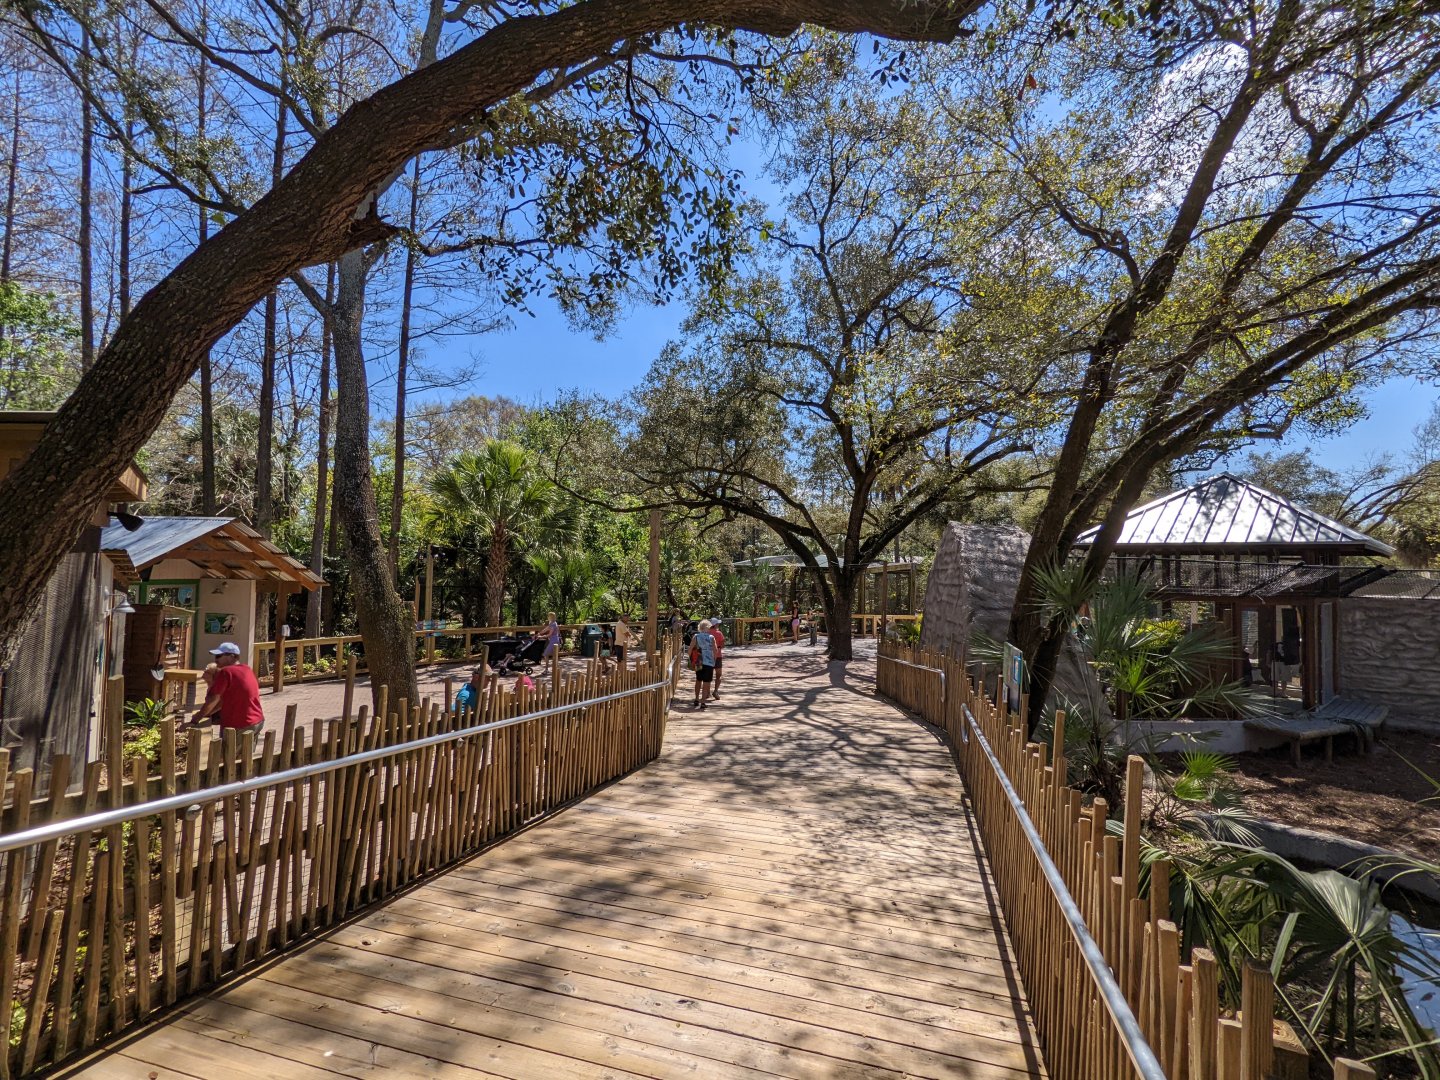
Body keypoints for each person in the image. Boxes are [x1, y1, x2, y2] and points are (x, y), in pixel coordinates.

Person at [191, 642, 264, 733]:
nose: (215, 659)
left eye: (219, 656)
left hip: (238, 726)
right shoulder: (247, 669)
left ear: (232, 656)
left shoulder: (226, 671)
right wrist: (206, 714)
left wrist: (195, 720)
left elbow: (213, 699)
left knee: (228, 748)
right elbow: (221, 701)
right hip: (257, 721)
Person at [689, 619, 716, 710]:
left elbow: (690, 649)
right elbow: (715, 650)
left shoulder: (696, 636)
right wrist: (714, 660)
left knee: (698, 680)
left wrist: (690, 659)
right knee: (706, 682)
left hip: (698, 660)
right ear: (708, 628)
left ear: (699, 628)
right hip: (709, 661)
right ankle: (703, 701)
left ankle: (696, 698)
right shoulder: (711, 637)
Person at [708, 617, 725, 699]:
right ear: (715, 625)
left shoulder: (706, 633)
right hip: (717, 656)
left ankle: (706, 692)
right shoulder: (719, 633)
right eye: (717, 623)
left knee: (707, 675)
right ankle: (715, 691)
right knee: (718, 675)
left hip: (707, 656)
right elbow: (722, 645)